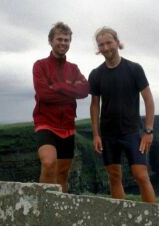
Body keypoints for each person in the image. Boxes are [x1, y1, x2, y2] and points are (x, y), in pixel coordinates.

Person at [89, 27, 156, 203]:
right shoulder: (96, 74)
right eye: (101, 44)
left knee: (141, 175)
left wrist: (148, 132)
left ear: (117, 43)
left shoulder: (134, 69)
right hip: (108, 134)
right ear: (98, 48)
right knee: (114, 176)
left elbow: (149, 100)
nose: (105, 47)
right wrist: (96, 134)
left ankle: (152, 219)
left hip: (132, 132)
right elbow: (95, 106)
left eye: (109, 42)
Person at [32, 22, 89, 192]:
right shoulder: (40, 65)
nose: (63, 43)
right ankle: (43, 207)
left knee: (62, 173)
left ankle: (59, 212)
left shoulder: (73, 68)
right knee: (49, 163)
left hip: (68, 126)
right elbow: (43, 94)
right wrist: (71, 89)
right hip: (46, 123)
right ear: (50, 41)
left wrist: (59, 86)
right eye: (59, 39)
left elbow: (85, 90)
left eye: (67, 40)